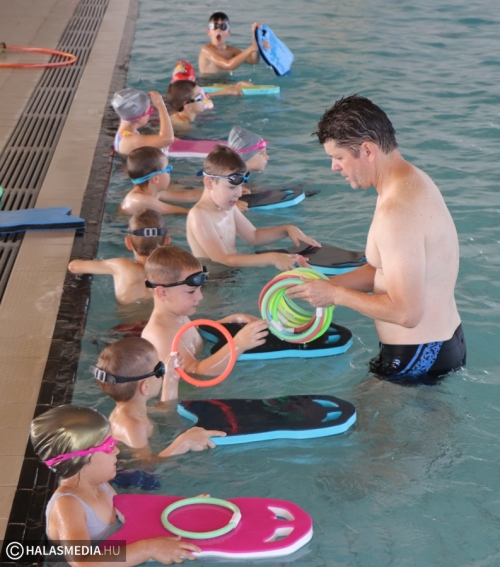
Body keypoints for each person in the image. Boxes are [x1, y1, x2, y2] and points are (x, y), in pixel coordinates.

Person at [287, 95, 466, 382]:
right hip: (437, 345)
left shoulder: (396, 212)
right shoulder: (412, 181)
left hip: (417, 356)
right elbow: (381, 271)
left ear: (368, 150)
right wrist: (323, 285)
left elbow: (407, 313)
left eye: (339, 157)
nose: (334, 167)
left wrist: (336, 296)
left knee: (367, 410)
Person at [31, 404, 200, 563]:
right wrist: (148, 549)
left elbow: (133, 515)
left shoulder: (101, 485)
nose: (117, 450)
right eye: (109, 445)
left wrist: (184, 507)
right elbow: (83, 562)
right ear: (83, 459)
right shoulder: (67, 505)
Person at [186, 145, 319, 270]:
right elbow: (222, 259)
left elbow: (254, 236)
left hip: (233, 274)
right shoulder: (199, 215)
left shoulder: (229, 208)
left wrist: (287, 229)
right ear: (209, 183)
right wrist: (272, 258)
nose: (239, 193)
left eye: (240, 186)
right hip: (213, 282)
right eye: (232, 187)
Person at [141, 246, 269, 375]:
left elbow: (194, 332)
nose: (200, 297)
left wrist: (232, 319)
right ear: (163, 293)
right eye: (191, 292)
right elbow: (195, 370)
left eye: (200, 289)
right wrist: (239, 344)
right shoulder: (158, 334)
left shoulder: (177, 315)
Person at [92, 337, 226, 456]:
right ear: (145, 387)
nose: (163, 372)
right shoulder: (131, 426)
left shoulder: (134, 412)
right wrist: (182, 443)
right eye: (159, 369)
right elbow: (146, 466)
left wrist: (171, 379)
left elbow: (166, 409)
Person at [68, 209, 169, 305]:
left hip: (128, 318)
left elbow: (73, 267)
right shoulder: (172, 269)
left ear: (128, 242)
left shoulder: (122, 267)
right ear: (166, 242)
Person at [119, 146, 202, 215]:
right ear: (156, 178)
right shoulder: (141, 200)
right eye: (168, 169)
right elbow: (183, 211)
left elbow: (187, 196)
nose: (170, 172)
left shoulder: (151, 192)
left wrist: (208, 194)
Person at [111, 88, 173, 156]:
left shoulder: (125, 132)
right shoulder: (129, 141)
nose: (151, 113)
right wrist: (161, 106)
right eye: (150, 110)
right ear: (139, 119)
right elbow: (167, 140)